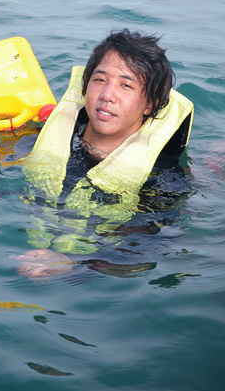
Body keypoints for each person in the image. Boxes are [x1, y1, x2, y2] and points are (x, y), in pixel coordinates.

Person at [16, 29, 194, 277]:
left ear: (150, 104)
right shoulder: (42, 136)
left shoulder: (161, 177)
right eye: (99, 80)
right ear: (85, 86)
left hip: (82, 285)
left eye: (125, 85)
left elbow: (145, 250)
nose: (107, 95)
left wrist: (74, 263)